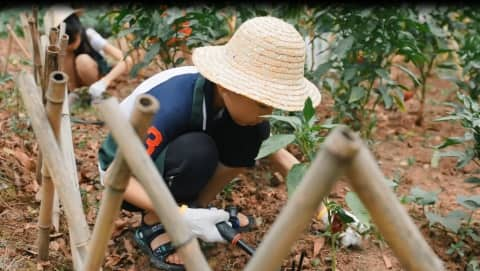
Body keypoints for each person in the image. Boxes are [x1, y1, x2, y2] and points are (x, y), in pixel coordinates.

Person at [97, 16, 361, 271]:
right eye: (261, 103)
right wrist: (179, 216)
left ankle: (198, 208)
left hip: (167, 165)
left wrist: (329, 214)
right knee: (197, 150)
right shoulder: (172, 103)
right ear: (228, 87)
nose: (267, 111)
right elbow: (114, 176)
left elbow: (282, 159)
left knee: (253, 135)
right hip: (126, 181)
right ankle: (155, 222)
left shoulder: (232, 104)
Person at [43, 5, 142, 101]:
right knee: (65, 55)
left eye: (74, 40)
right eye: (68, 44)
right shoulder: (56, 48)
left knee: (82, 60)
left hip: (96, 80)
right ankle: (77, 95)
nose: (72, 46)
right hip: (74, 85)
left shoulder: (90, 35)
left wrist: (104, 82)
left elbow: (126, 60)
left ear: (79, 29)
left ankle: (93, 94)